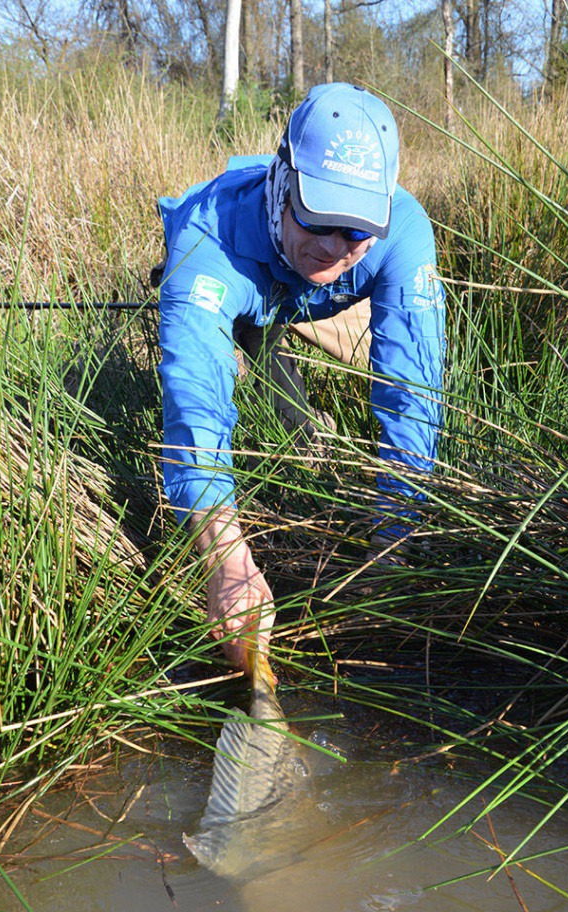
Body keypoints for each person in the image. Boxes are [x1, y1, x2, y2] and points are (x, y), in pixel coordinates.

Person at [157, 83, 445, 671]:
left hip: (314, 304)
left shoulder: (404, 233)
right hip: (237, 276)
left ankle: (290, 361)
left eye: (357, 232)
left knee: (380, 350)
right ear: (284, 182)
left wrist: (390, 545)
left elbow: (411, 387)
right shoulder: (205, 244)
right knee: (223, 354)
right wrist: (226, 560)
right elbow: (195, 407)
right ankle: (256, 342)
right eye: (318, 218)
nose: (335, 246)